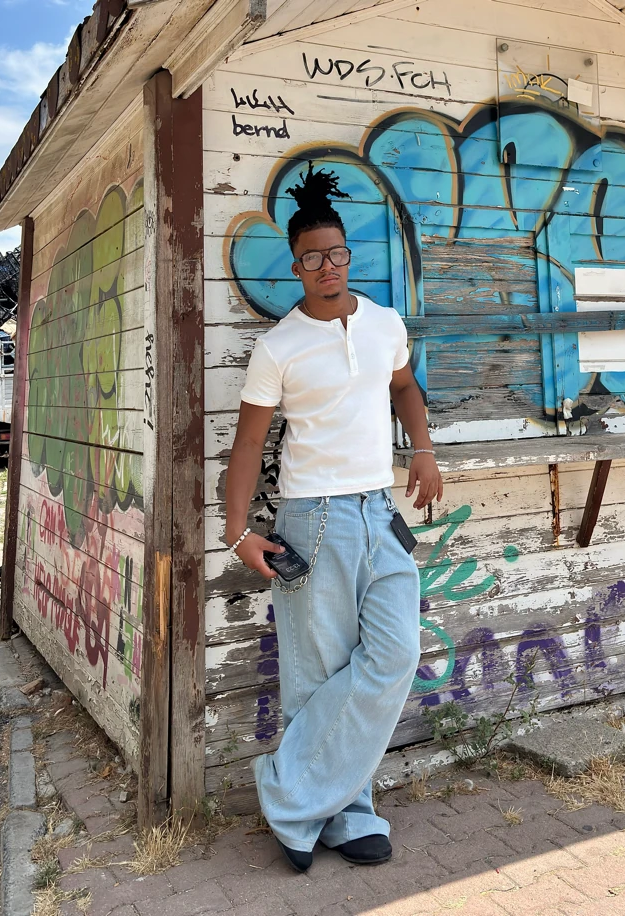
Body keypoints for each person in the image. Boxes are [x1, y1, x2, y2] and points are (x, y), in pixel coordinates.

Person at [225, 163, 443, 873]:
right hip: (310, 519)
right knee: (317, 676)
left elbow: (405, 387)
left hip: (380, 513)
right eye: (313, 257)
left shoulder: (384, 324)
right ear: (296, 267)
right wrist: (238, 534)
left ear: (350, 256)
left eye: (338, 253)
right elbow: (249, 445)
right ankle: (347, 814)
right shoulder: (278, 346)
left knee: (393, 654)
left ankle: (287, 791)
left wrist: (425, 451)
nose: (328, 266)